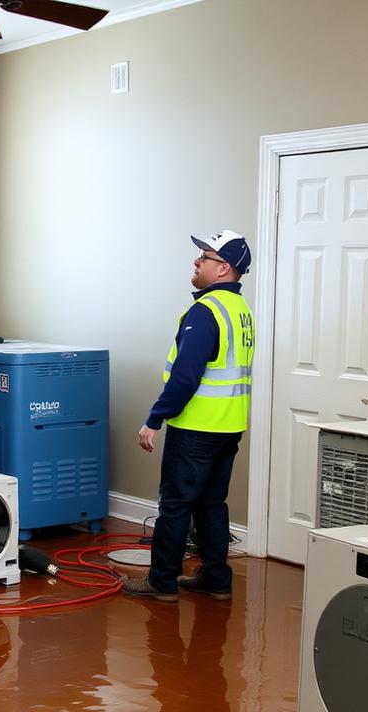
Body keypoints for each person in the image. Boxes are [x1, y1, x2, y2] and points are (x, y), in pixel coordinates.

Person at [124, 230, 255, 602]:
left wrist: (155, 418)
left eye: (205, 257)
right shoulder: (241, 310)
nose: (197, 262)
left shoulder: (206, 311)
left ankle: (162, 581)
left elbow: (185, 375)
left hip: (196, 427)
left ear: (223, 267)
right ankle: (216, 578)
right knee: (212, 504)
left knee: (176, 504)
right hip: (229, 426)